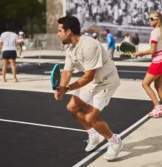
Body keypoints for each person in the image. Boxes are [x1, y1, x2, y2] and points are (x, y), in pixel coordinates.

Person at [55, 16, 123, 161]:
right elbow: (67, 72)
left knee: (90, 117)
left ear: (68, 31)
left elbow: (89, 76)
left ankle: (114, 141)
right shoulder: (71, 49)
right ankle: (94, 134)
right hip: (92, 81)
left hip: (106, 81)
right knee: (72, 108)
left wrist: (67, 88)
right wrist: (61, 87)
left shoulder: (88, 45)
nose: (57, 33)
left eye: (59, 30)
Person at [134, 11, 162, 117]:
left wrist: (140, 53)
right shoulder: (161, 31)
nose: (149, 21)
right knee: (158, 86)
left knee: (145, 84)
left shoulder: (154, 32)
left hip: (158, 61)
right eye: (149, 19)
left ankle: (157, 106)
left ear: (158, 20)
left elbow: (152, 50)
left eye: (151, 19)